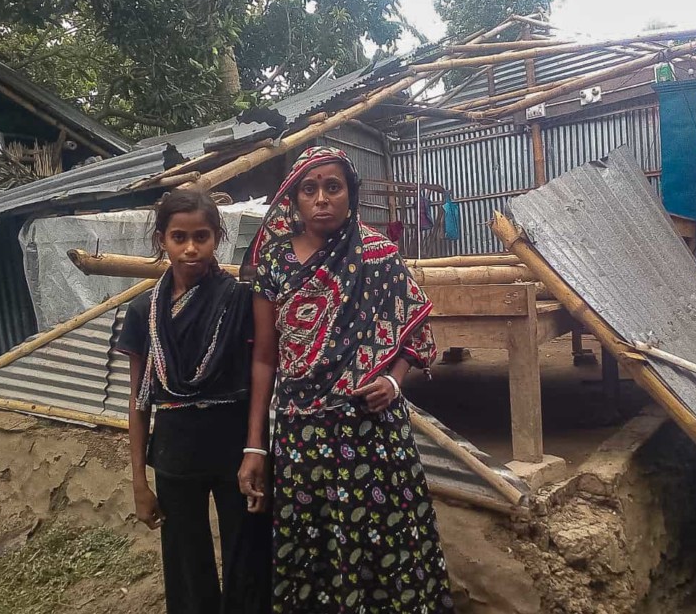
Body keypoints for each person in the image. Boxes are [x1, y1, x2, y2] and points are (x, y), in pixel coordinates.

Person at [239, 146, 455, 613]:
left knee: (386, 546)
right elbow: (264, 358)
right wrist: (255, 445)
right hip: (302, 438)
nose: (321, 198)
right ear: (293, 199)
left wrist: (395, 383)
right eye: (309, 189)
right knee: (314, 550)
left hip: (373, 434)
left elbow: (412, 333)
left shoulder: (380, 255)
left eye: (333, 187)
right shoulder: (273, 263)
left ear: (350, 195)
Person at [116, 189, 271, 614]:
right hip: (174, 453)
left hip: (235, 447)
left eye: (201, 236)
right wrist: (139, 482)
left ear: (217, 237)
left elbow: (262, 373)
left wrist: (255, 448)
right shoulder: (143, 311)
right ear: (161, 239)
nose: (190, 248)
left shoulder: (241, 300)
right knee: (186, 564)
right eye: (178, 237)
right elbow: (139, 400)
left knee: (249, 557)